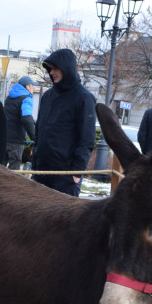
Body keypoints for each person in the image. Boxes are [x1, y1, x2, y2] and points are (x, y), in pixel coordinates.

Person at [31, 48, 96, 197]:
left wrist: (76, 173)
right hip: (41, 171)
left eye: (55, 68)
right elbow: (39, 130)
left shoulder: (84, 98)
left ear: (66, 67)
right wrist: (35, 160)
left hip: (65, 176)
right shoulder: (47, 96)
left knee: (63, 220)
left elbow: (87, 139)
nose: (51, 72)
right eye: (50, 68)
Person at [4, 75, 37, 170]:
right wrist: (35, 137)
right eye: (32, 85)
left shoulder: (9, 98)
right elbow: (27, 119)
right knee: (14, 174)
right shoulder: (26, 99)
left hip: (4, 138)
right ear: (27, 87)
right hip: (16, 142)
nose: (33, 88)